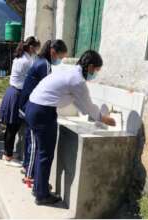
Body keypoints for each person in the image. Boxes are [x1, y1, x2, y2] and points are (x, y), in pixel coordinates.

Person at [25, 50, 116, 205]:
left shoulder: (70, 72)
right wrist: (104, 119)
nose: (95, 74)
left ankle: (39, 187)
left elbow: (78, 102)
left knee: (42, 152)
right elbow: (88, 106)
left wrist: (90, 113)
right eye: (96, 70)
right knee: (45, 155)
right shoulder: (77, 80)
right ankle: (42, 195)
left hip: (34, 107)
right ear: (91, 66)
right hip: (43, 112)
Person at [18, 39, 68, 186]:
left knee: (30, 140)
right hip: (32, 105)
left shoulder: (38, 60)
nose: (59, 60)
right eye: (60, 57)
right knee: (34, 144)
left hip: (27, 105)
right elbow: (46, 89)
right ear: (53, 52)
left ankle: (27, 168)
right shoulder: (44, 65)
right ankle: (29, 176)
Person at [0, 36, 40, 167]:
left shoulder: (21, 57)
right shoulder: (27, 61)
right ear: (31, 47)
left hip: (13, 92)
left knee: (11, 127)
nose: (37, 50)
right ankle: (8, 157)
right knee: (13, 127)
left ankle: (7, 152)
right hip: (17, 94)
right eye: (36, 47)